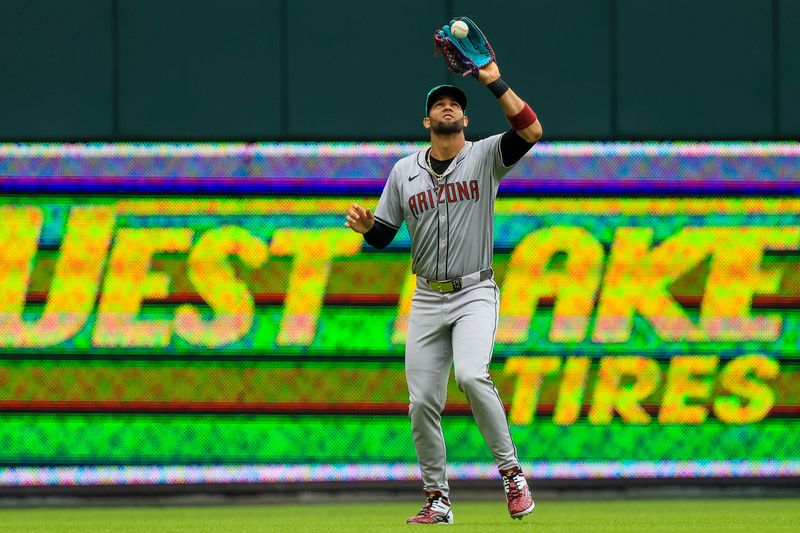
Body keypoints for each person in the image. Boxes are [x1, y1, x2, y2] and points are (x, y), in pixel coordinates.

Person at [344, 57, 542, 524]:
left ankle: (512, 474)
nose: (448, 107)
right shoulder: (403, 172)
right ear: (427, 120)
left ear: (466, 119)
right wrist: (370, 227)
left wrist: (494, 82)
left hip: (475, 290)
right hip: (428, 296)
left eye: (455, 103)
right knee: (421, 402)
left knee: (472, 376)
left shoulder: (485, 155)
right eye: (440, 104)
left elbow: (531, 131)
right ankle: (438, 498)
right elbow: (383, 234)